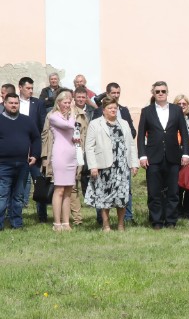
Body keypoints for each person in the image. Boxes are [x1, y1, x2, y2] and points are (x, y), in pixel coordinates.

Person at [137, 81, 189, 229]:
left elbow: (184, 134)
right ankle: (156, 221)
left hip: (173, 156)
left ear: (167, 92)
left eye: (163, 91)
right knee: (154, 191)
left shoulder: (176, 110)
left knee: (173, 192)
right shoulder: (147, 111)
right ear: (153, 94)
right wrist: (142, 155)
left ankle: (171, 220)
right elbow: (141, 135)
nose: (160, 94)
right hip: (153, 157)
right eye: (157, 91)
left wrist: (185, 152)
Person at [84, 97, 139, 231]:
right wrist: (93, 166)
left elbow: (131, 144)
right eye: (110, 108)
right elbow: (89, 147)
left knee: (122, 196)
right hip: (104, 166)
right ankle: (106, 224)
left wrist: (134, 163)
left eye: (115, 108)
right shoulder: (96, 124)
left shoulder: (124, 123)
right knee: (104, 196)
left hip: (122, 166)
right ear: (104, 110)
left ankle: (121, 224)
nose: (113, 110)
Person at [0, 93, 41, 230]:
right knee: (2, 196)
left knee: (18, 197)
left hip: (22, 164)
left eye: (16, 103)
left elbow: (36, 138)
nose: (13, 105)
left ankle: (16, 223)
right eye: (11, 103)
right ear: (4, 103)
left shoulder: (27, 120)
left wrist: (35, 155)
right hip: (3, 165)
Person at [42, 90, 79, 231]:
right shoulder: (54, 116)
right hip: (60, 155)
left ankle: (66, 222)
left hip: (71, 154)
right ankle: (57, 223)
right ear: (58, 103)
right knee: (59, 189)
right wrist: (73, 114)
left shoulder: (70, 116)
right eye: (65, 102)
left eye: (69, 102)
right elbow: (70, 125)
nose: (68, 105)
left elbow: (73, 130)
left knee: (69, 190)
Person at [18, 76, 48, 223]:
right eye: (28, 88)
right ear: (20, 88)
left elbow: (43, 127)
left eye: (32, 88)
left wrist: (39, 151)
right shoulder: (13, 103)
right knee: (18, 184)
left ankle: (42, 215)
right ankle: (15, 215)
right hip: (17, 151)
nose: (31, 91)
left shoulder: (38, 103)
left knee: (39, 182)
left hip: (35, 150)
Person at [70, 86, 92, 224]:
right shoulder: (70, 112)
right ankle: (77, 218)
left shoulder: (92, 111)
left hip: (88, 151)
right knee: (72, 184)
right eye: (78, 97)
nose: (81, 99)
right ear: (74, 97)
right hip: (75, 150)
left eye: (83, 97)